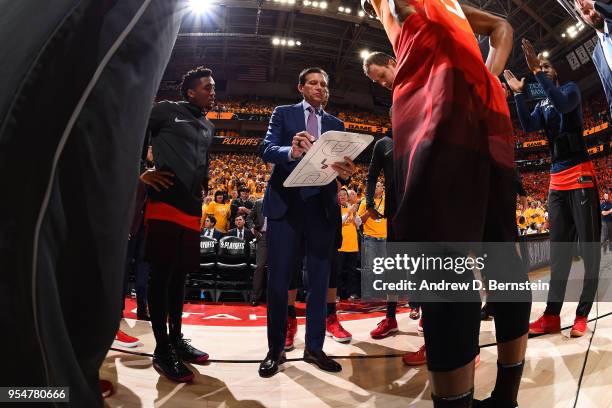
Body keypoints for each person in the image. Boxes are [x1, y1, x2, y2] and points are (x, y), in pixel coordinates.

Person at [360, 0, 531, 407]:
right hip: (487, 110)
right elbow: (503, 25)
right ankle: (506, 397)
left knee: (442, 264)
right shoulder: (449, 5)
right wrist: (486, 79)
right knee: (502, 256)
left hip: (436, 101)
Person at [258, 67, 357, 378]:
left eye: (324, 84)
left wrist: (345, 171)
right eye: (313, 83)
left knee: (318, 283)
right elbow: (266, 149)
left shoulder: (335, 124)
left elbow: (338, 168)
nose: (319, 88)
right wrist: (291, 150)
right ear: (300, 86)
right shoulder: (283, 114)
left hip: (321, 211)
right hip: (286, 209)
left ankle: (315, 347)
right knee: (278, 283)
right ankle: (275, 350)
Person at [504, 42, 601, 338]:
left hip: (581, 174)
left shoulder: (569, 89)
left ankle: (583, 314)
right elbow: (528, 125)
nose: (542, 70)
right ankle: (551, 315)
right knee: (559, 254)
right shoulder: (542, 103)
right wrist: (520, 94)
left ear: (554, 72)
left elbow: (561, 103)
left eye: (546, 67)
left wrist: (537, 72)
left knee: (589, 251)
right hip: (556, 179)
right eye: (539, 68)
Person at [140, 66, 215, 382]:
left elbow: (203, 160)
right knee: (161, 276)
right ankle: (161, 350)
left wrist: (206, 179)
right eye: (208, 88)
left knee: (180, 276)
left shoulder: (207, 126)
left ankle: (176, 339)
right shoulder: (166, 111)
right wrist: (140, 170)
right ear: (190, 92)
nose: (213, 92)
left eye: (213, 88)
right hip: (164, 202)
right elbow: (134, 130)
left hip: (190, 207)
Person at [574, 0, 612, 114]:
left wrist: (592, 3)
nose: (591, 13)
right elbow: (608, 90)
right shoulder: (596, 54)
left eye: (591, 8)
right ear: (583, 18)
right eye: (585, 12)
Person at [249, 197, 268, 306]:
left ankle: (274, 297)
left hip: (277, 237)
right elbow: (249, 218)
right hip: (263, 236)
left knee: (275, 268)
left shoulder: (279, 202)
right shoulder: (258, 202)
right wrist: (252, 229)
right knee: (260, 266)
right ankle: (255, 296)